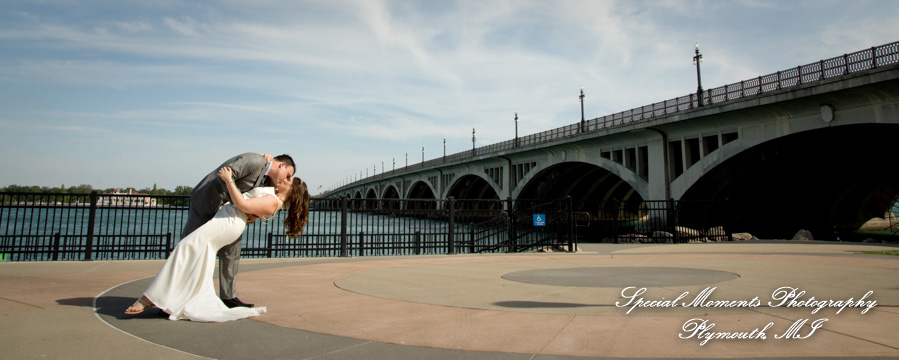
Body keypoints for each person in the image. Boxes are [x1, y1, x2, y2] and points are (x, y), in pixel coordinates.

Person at [124, 166, 310, 321]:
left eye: (288, 182)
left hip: (228, 222)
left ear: (293, 191)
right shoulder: (273, 199)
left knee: (185, 247)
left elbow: (243, 206)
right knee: (199, 256)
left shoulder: (272, 201)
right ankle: (173, 298)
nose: (284, 181)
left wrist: (229, 180)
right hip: (229, 220)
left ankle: (149, 298)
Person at [184, 153, 295, 308]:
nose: (285, 179)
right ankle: (173, 295)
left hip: (227, 214)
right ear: (282, 165)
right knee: (188, 248)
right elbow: (226, 174)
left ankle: (229, 296)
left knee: (232, 252)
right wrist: (234, 203)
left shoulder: (265, 178)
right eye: (288, 175)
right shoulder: (255, 161)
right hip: (206, 203)